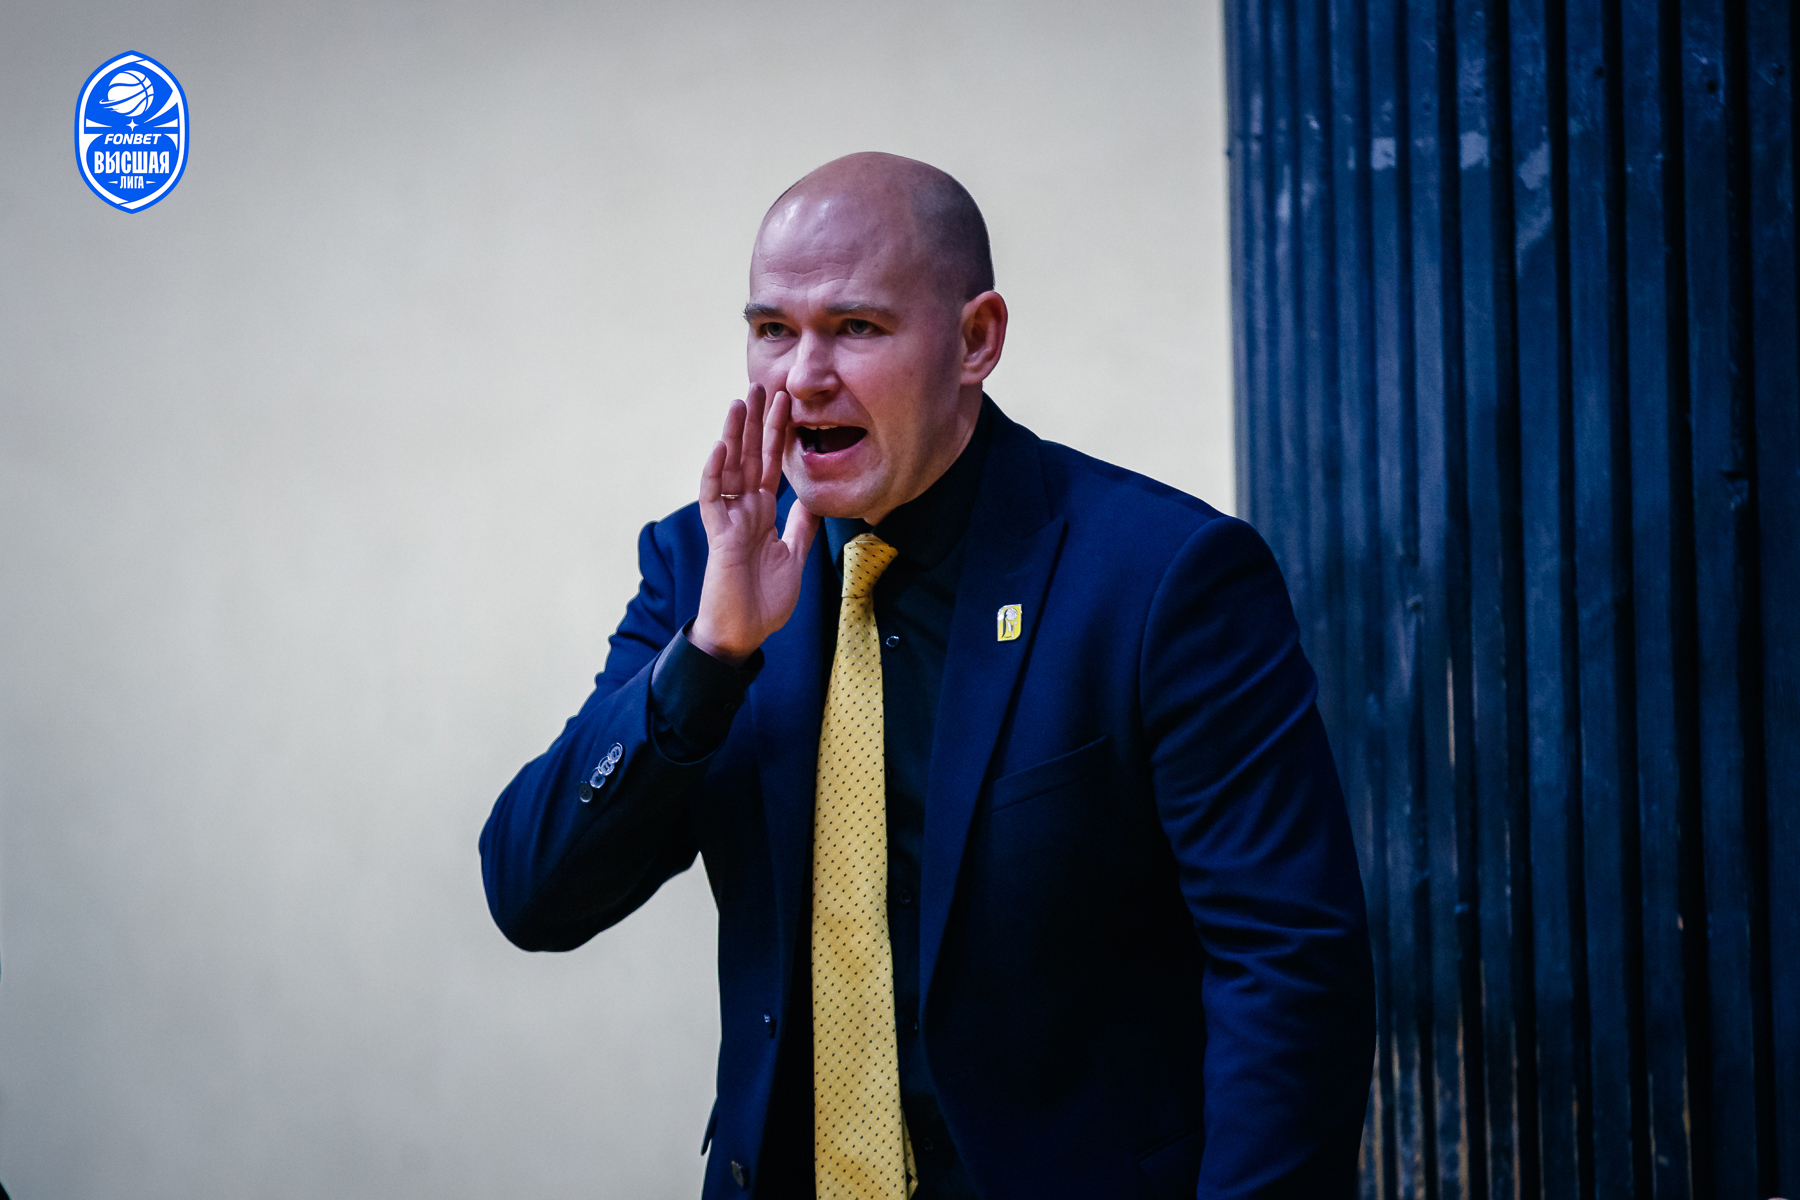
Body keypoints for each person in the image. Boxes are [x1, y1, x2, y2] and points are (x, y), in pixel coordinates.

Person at [480, 152, 1374, 1200]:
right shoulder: (701, 565)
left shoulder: (1161, 577)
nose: (801, 376)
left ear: (976, 340)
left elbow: (1287, 964)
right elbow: (533, 895)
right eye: (772, 329)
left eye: (856, 327)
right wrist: (710, 658)